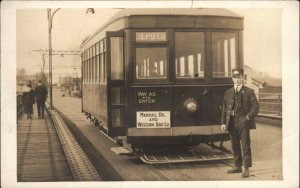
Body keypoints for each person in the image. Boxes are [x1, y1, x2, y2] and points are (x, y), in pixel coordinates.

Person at [221, 68, 259, 178]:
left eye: (239, 77)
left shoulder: (249, 91)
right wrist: (223, 122)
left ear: (242, 78)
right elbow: (224, 108)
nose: (237, 79)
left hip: (243, 121)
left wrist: (247, 117)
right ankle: (237, 166)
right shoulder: (228, 92)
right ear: (232, 79)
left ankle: (246, 168)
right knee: (234, 144)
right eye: (235, 77)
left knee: (245, 144)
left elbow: (256, 106)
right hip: (231, 121)